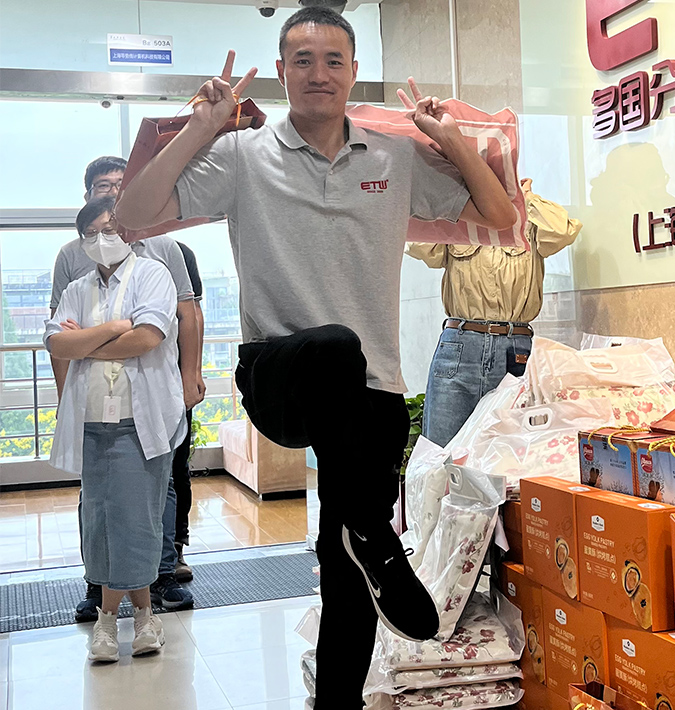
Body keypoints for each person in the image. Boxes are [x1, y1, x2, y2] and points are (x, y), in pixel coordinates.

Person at [115, 8, 516, 705]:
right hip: (280, 375)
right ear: (281, 72)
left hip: (371, 392)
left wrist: (451, 139)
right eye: (303, 60)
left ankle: (342, 675)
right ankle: (374, 535)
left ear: (354, 71)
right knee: (334, 346)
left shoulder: (392, 159)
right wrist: (202, 128)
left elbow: (502, 217)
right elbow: (133, 215)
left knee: (348, 566)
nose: (319, 73)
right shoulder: (244, 156)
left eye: (333, 60)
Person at [50, 156, 200, 620]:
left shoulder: (164, 249)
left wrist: (190, 374)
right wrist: (66, 394)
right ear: (87, 195)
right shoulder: (72, 257)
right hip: (94, 400)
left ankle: (162, 573)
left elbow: (182, 316)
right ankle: (100, 586)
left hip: (156, 389)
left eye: (121, 185)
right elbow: (57, 338)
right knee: (97, 495)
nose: (113, 193)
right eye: (103, 186)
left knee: (162, 483)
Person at [407, 178, 582, 446]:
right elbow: (418, 242)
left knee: (513, 451)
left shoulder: (528, 216)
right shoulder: (456, 213)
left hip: (515, 347)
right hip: (460, 346)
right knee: (440, 450)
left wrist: (525, 199)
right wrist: (450, 199)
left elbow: (563, 232)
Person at [172, 240, 204, 580]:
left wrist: (192, 373)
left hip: (173, 378)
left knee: (177, 465)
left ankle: (176, 547)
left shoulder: (180, 252)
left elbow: (193, 314)